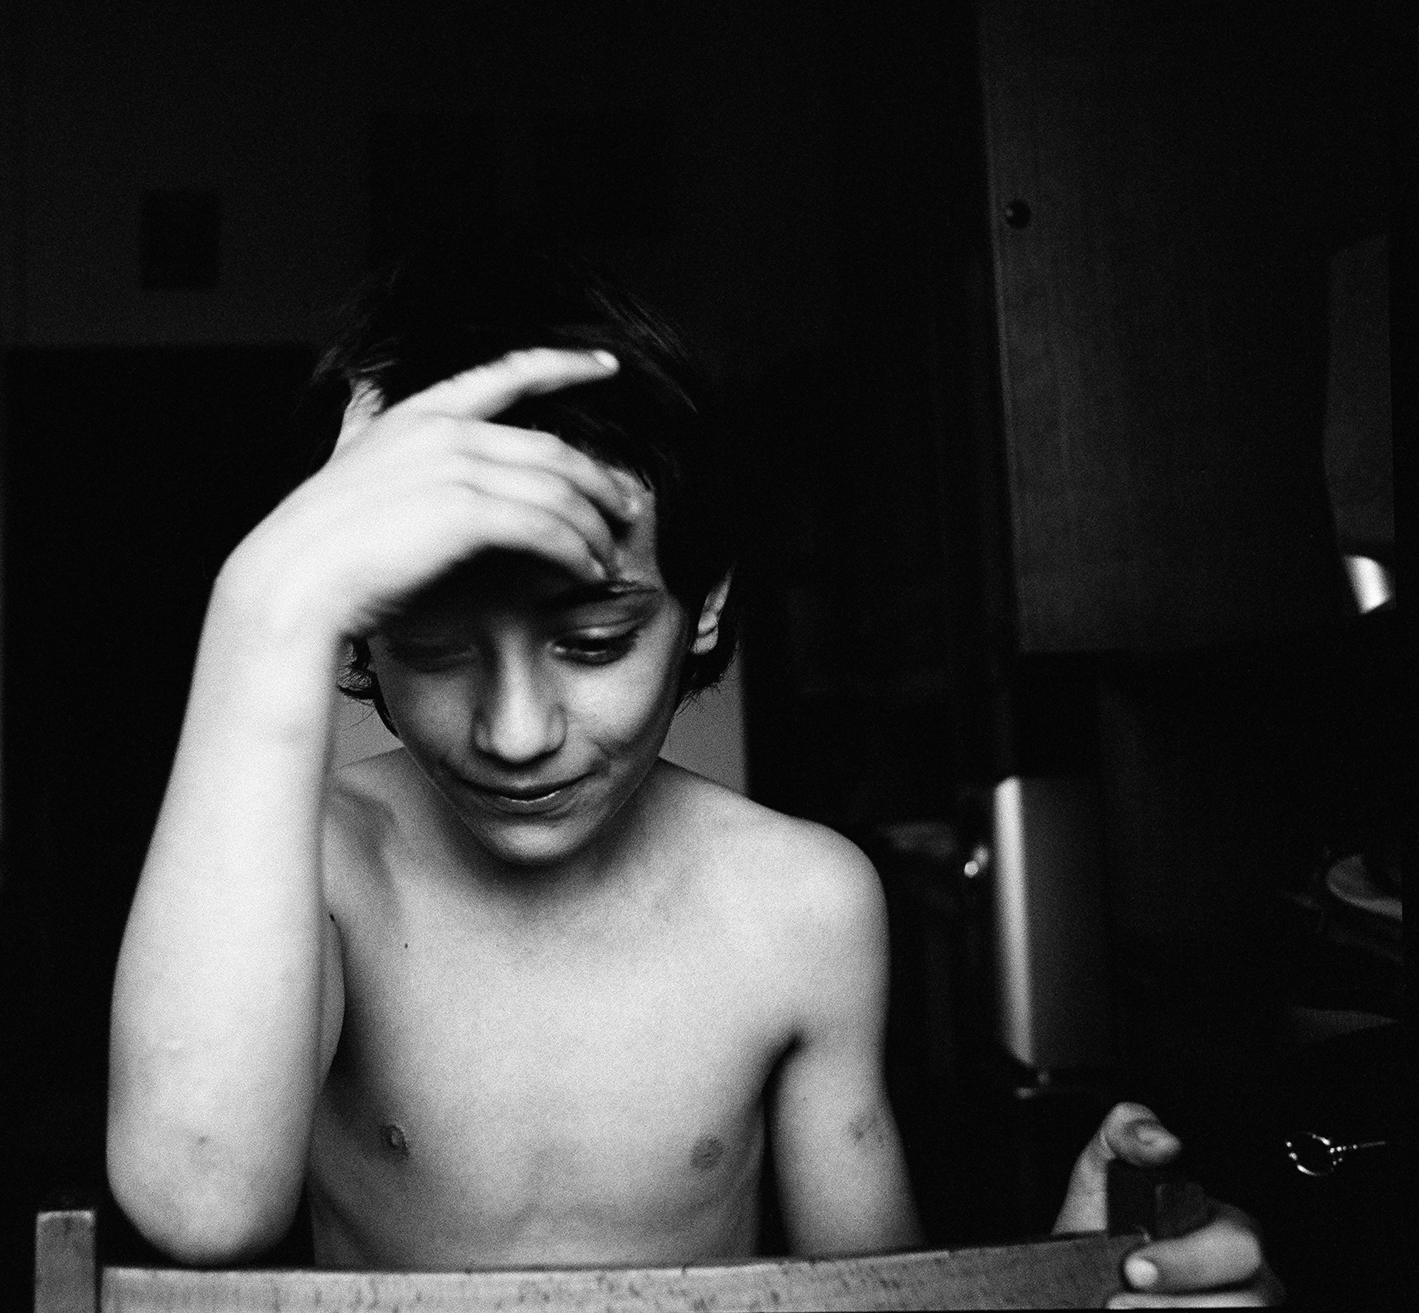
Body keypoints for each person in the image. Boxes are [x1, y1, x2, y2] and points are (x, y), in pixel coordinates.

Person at [107, 251, 1276, 1303]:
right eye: (432, 646)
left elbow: (871, 1298)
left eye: (593, 641)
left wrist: (1069, 1282)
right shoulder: (307, 867)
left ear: (703, 602)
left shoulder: (802, 901)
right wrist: (264, 600)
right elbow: (198, 1202)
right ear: (361, 633)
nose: (514, 732)